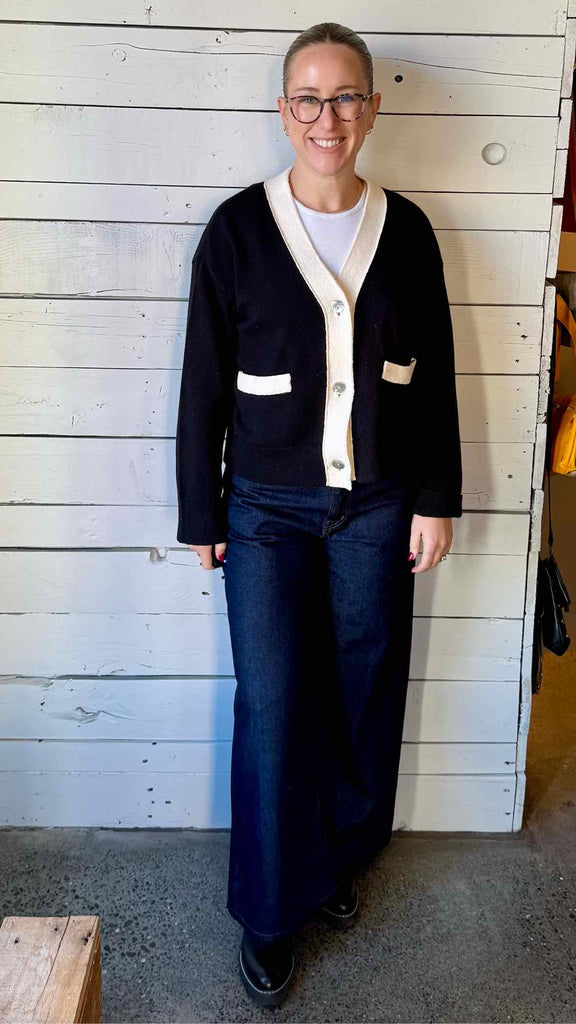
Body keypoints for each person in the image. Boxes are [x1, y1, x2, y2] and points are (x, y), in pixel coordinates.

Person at [175, 21, 463, 1008]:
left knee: (361, 690)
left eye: (345, 97)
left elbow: (435, 378)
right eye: (309, 97)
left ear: (371, 108)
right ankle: (267, 910)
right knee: (272, 704)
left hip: (381, 506)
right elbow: (203, 383)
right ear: (283, 109)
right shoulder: (238, 232)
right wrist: (201, 511)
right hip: (264, 513)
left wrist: (436, 498)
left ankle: (337, 857)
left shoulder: (408, 231)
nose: (327, 117)